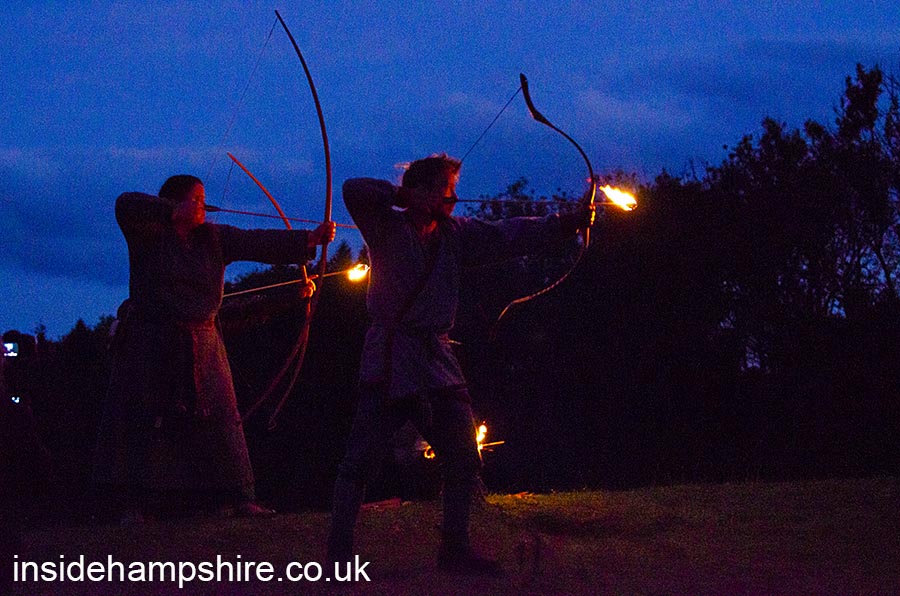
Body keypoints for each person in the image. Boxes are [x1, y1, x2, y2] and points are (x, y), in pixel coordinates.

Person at [327, 154, 593, 574]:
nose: (452, 198)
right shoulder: (386, 226)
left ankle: (454, 550)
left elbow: (508, 234)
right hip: (391, 357)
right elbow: (352, 189)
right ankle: (338, 557)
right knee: (359, 461)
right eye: (445, 190)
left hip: (436, 359)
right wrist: (403, 196)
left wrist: (565, 223)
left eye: (452, 190)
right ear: (423, 190)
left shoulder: (456, 234)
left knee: (463, 455)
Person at [94, 174, 335, 522]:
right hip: (151, 341)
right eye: (196, 199)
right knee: (141, 421)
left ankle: (238, 498)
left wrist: (308, 239)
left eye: (203, 199)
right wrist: (173, 212)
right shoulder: (148, 235)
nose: (203, 207)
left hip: (204, 340)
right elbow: (125, 203)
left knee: (223, 423)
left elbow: (256, 242)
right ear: (174, 202)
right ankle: (131, 504)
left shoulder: (214, 238)